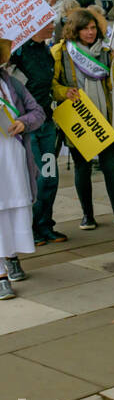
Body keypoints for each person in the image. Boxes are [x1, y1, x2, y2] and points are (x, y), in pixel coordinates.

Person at [50, 7, 114, 230]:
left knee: (111, 167)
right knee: (82, 168)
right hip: (78, 117)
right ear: (75, 30)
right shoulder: (61, 52)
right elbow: (52, 84)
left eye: (93, 28)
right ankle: (87, 216)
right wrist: (63, 93)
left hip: (103, 117)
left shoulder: (106, 51)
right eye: (85, 29)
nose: (90, 33)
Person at [10, 23, 65, 244]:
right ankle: (30, 227)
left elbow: (50, 83)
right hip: (28, 128)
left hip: (47, 125)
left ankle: (45, 224)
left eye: (52, 24)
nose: (51, 28)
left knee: (50, 176)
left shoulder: (46, 50)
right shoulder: (18, 53)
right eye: (46, 25)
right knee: (36, 178)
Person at [0, 40, 45, 299]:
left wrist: (22, 122)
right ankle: (1, 274)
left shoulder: (11, 82)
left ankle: (11, 255)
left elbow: (37, 112)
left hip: (14, 158)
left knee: (14, 210)